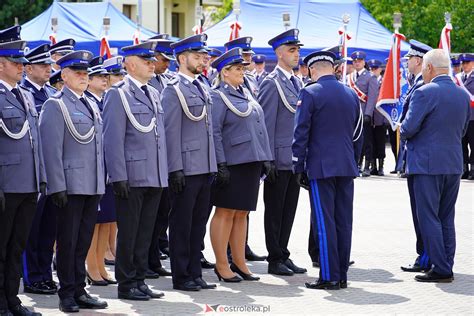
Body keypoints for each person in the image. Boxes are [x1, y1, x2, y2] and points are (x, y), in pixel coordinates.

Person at [39, 50, 108, 312]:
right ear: (64, 76)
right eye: (77, 73)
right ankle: (66, 293)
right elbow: (51, 149)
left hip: (91, 184)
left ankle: (80, 289)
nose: (83, 77)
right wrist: (56, 186)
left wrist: (101, 182)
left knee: (82, 242)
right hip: (69, 185)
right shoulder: (55, 105)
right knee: (67, 243)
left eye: (85, 73)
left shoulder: (90, 103)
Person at [292, 50, 363, 290]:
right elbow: (356, 132)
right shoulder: (350, 93)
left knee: (325, 223)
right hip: (346, 165)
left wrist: (298, 165)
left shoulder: (310, 92)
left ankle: (329, 276)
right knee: (344, 221)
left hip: (321, 166)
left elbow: (301, 132)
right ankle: (341, 274)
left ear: (312, 70)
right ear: (332, 68)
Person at [103, 41, 168, 301]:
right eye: (146, 60)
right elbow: (112, 138)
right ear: (130, 64)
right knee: (129, 233)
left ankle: (140, 278)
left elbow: (158, 136)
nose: (152, 64)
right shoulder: (117, 94)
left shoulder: (152, 92)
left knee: (146, 232)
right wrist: (118, 176)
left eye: (152, 60)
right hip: (131, 175)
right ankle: (126, 282)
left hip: (153, 173)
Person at [400, 49, 470, 283]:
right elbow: (462, 131)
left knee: (428, 216)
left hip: (427, 165)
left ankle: (440, 268)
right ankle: (446, 263)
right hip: (453, 162)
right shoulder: (462, 94)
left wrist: (401, 127)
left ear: (428, 68)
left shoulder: (424, 92)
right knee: (446, 217)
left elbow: (408, 128)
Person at [209, 48, 273, 283]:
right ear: (224, 72)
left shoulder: (244, 93)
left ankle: (240, 262)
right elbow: (214, 132)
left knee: (242, 214)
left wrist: (265, 157)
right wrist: (220, 163)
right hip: (232, 162)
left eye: (242, 68)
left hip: (250, 161)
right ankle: (222, 264)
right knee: (225, 213)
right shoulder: (218, 96)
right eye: (237, 69)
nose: (241, 72)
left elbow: (259, 126)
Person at [161, 34, 218, 291]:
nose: (202, 60)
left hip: (204, 166)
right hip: (186, 167)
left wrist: (213, 164)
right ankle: (182, 275)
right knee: (182, 225)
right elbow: (170, 131)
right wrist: (175, 168)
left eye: (202, 55)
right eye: (197, 56)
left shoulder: (200, 86)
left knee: (197, 225)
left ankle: (195, 272)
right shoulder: (173, 90)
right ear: (182, 59)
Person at [0, 25, 44, 316]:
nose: (22, 68)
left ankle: (13, 300)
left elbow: (33, 142)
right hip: (6, 186)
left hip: (27, 184)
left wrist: (40, 179)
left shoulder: (24, 96)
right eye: (16, 63)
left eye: (22, 62)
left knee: (16, 247)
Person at [259, 28, 307, 276]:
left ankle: (283, 252)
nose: (296, 54)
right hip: (278, 158)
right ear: (279, 54)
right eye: (291, 50)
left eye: (297, 50)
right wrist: (267, 159)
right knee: (275, 210)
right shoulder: (271, 83)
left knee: (289, 210)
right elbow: (265, 124)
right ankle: (274, 257)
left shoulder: (297, 82)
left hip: (294, 158)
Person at [20, 43, 58, 297]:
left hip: (52, 171)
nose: (49, 69)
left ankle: (44, 273)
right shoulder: (23, 94)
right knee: (31, 230)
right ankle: (31, 276)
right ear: (29, 68)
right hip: (31, 172)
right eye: (43, 65)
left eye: (49, 64)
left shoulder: (51, 95)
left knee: (48, 228)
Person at [398, 40, 433, 274]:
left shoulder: (421, 87)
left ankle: (426, 257)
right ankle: (425, 254)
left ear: (418, 61)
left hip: (421, 157)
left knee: (423, 212)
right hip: (416, 157)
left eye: (409, 58)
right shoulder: (417, 84)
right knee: (419, 211)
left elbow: (412, 124)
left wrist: (402, 127)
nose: (407, 62)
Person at [83, 56, 117, 287]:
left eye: (106, 76)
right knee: (95, 222)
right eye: (99, 77)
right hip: (94, 170)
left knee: (107, 220)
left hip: (108, 169)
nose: (105, 80)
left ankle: (101, 265)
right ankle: (92, 267)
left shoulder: (105, 101)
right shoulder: (86, 101)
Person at [146, 36, 174, 279]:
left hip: (166, 156)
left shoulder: (165, 81)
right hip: (151, 157)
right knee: (149, 216)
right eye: (163, 60)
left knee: (161, 212)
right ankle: (146, 259)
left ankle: (154, 258)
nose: (166, 64)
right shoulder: (145, 84)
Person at [348, 51, 378, 177]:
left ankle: (367, 166)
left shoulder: (370, 77)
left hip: (364, 113)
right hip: (352, 114)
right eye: (355, 61)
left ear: (364, 62)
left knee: (367, 142)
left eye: (359, 61)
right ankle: (356, 164)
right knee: (353, 140)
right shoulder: (350, 77)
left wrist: (368, 114)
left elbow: (372, 97)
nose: (357, 63)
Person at [367, 59, 385, 176]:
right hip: (370, 115)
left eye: (375, 69)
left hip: (380, 116)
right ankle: (372, 165)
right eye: (371, 69)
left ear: (380, 69)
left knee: (380, 141)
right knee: (370, 141)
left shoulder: (384, 82)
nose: (373, 71)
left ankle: (380, 166)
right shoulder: (369, 80)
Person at [458, 53, 474, 180]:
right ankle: (464, 168)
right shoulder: (458, 78)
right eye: (462, 63)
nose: (464, 65)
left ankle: (473, 169)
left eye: (467, 63)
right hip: (461, 117)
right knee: (461, 143)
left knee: (473, 144)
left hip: (473, 117)